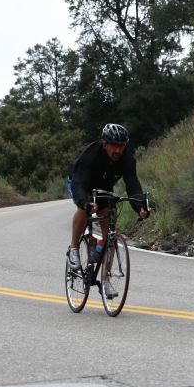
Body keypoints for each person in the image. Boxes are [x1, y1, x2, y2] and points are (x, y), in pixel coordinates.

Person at [66, 123, 149, 297]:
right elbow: (79, 184)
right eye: (114, 146)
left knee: (110, 224)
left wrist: (139, 206)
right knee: (84, 209)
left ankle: (106, 280)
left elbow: (133, 185)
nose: (118, 150)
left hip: (103, 188)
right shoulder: (91, 154)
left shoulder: (127, 159)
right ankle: (74, 249)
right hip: (81, 183)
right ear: (105, 143)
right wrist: (85, 203)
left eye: (122, 146)